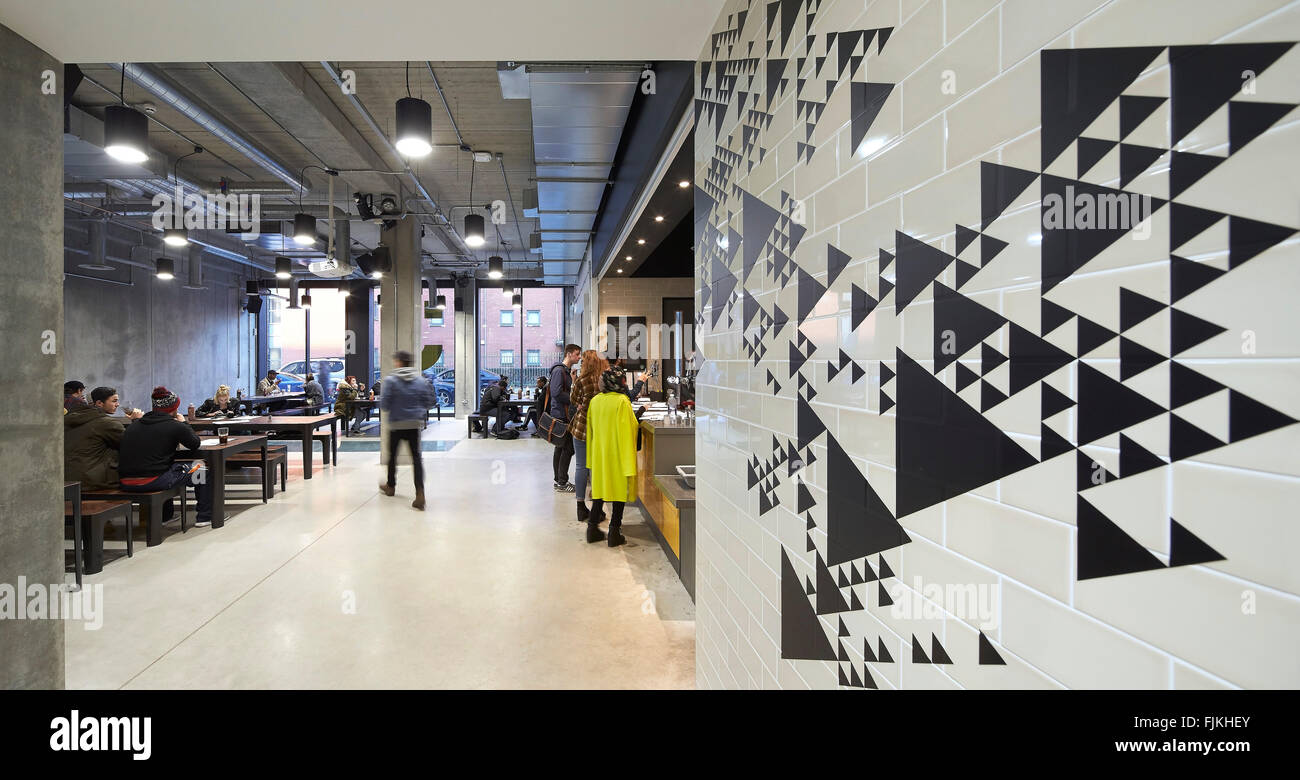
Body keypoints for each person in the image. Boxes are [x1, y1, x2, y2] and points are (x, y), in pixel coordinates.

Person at [118, 386, 213, 527]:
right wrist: (184, 423)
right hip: (153, 480)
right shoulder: (174, 425)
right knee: (202, 469)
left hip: (125, 481)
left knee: (167, 467)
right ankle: (204, 517)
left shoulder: (135, 425)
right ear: (174, 408)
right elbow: (195, 443)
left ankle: (166, 516)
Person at [583, 367, 640, 546]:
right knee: (618, 492)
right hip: (617, 453)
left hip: (599, 453)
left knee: (599, 491)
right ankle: (614, 531)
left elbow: (590, 430)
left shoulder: (595, 401)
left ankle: (592, 528)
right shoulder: (622, 401)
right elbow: (630, 428)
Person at [378, 350, 436, 510]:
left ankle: (390, 487)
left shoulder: (390, 381)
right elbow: (428, 402)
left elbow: (384, 405)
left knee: (392, 457)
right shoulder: (420, 381)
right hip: (414, 425)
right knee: (416, 459)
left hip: (396, 425)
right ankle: (420, 493)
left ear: (399, 362)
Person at [64, 386, 141, 491]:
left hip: (68, 480)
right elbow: (132, 445)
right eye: (114, 401)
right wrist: (137, 422)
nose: (118, 404)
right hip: (94, 482)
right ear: (99, 403)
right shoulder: (107, 424)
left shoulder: (69, 418)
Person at [567, 350, 607, 525]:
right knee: (596, 467)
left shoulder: (582, 380)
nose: (581, 363)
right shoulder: (605, 380)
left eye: (583, 361)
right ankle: (597, 506)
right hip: (600, 427)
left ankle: (580, 506)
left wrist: (574, 382)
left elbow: (574, 400)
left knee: (581, 466)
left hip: (582, 426)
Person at [549, 344, 582, 492]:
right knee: (567, 448)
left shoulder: (565, 371)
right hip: (561, 414)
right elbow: (556, 392)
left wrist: (573, 381)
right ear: (569, 354)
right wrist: (574, 400)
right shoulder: (558, 371)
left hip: (563, 413)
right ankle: (562, 481)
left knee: (561, 447)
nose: (579, 357)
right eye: (577, 354)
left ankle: (559, 481)